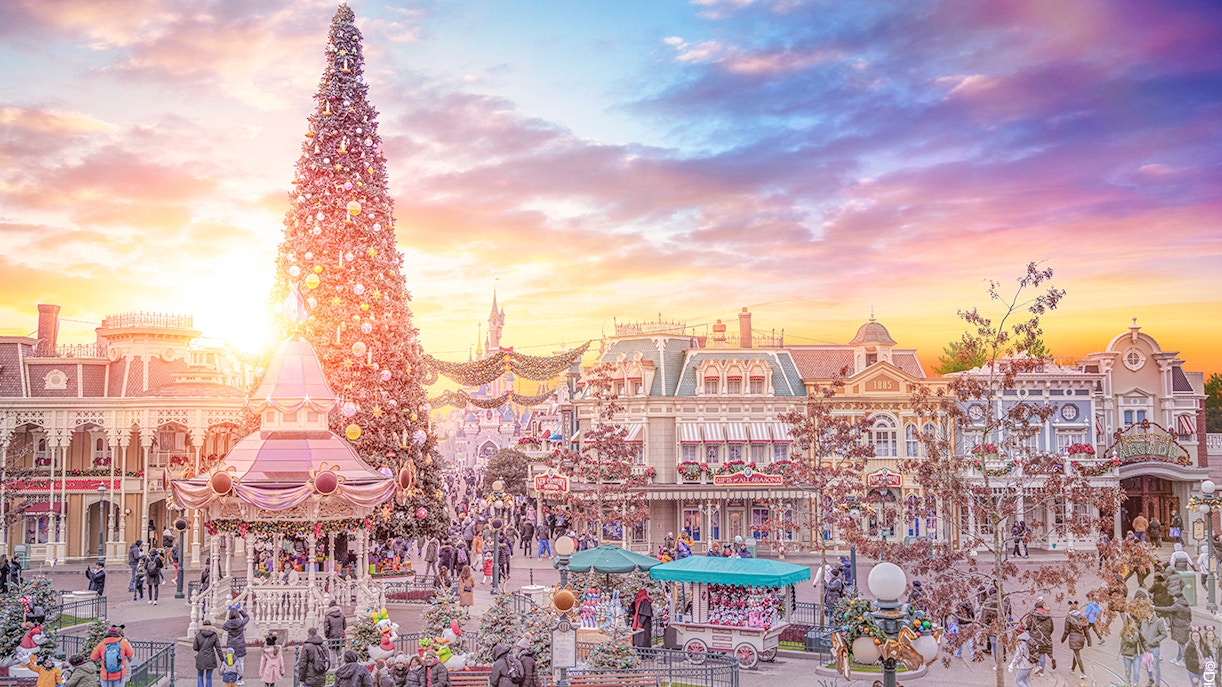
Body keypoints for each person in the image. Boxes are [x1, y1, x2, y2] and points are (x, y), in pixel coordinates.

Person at [1155, 592, 1192, 665]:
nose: (1173, 599)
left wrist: (1154, 608)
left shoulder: (1178, 606)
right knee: (1180, 642)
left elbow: (1167, 609)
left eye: (1174, 597)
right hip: (1184, 625)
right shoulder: (1185, 605)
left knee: (1181, 643)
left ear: (1177, 598)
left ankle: (1183, 659)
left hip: (1179, 626)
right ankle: (1179, 658)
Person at [1023, 598, 1055, 672]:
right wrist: (1047, 634)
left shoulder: (1032, 615)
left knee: (1036, 651)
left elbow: (1027, 625)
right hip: (1045, 637)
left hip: (1035, 636)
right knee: (1042, 653)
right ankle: (1042, 671)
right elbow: (1051, 628)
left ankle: (1038, 666)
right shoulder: (1048, 616)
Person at [223, 605, 250, 685]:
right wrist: (240, 610)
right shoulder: (241, 622)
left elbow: (223, 627)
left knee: (230, 663)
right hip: (240, 645)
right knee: (241, 662)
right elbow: (247, 617)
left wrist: (229, 612)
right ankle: (240, 679)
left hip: (231, 645)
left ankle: (231, 679)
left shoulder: (228, 623)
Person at [1060, 600, 1088, 679]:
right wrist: (1089, 641)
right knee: (1076, 652)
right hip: (1081, 638)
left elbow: (1066, 631)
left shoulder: (1068, 618)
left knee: (1077, 654)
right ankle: (1072, 668)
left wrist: (1062, 639)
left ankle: (1083, 672)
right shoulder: (1082, 617)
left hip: (1073, 638)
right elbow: (1086, 630)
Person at [194, 619, 224, 687]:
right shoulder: (214, 635)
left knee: (200, 675)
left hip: (201, 657)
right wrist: (222, 659)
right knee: (209, 676)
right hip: (210, 658)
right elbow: (218, 648)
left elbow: (195, 647)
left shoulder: (198, 635)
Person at [1119, 615, 1142, 687]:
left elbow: (1141, 640)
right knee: (1128, 672)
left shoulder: (1136, 632)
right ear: (1129, 625)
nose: (1134, 625)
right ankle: (1127, 683)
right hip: (1127, 655)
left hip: (1136, 654)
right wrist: (1135, 636)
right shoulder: (1124, 633)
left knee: (1136, 671)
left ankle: (1136, 684)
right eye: (1133, 624)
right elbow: (1132, 642)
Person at [324, 600, 346, 664]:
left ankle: (332, 667)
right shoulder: (341, 615)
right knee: (339, 652)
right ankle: (340, 666)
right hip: (340, 635)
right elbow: (345, 626)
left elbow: (326, 628)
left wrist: (327, 635)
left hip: (332, 636)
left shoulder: (328, 616)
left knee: (332, 652)